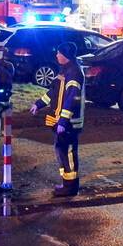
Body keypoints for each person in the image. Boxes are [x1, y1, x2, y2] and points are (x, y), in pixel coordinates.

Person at [30, 41, 85, 197]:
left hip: (69, 123)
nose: (56, 55)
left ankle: (70, 187)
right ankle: (66, 183)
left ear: (65, 55)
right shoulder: (65, 70)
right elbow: (53, 92)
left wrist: (63, 121)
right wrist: (38, 104)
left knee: (67, 152)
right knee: (62, 151)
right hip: (62, 120)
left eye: (59, 53)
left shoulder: (74, 73)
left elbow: (71, 99)